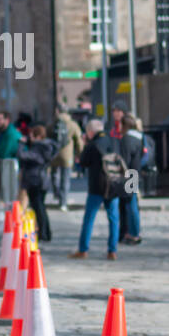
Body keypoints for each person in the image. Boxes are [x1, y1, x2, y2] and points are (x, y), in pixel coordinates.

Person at [71, 118, 123, 260]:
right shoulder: (113, 141)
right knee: (113, 218)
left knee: (89, 218)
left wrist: (85, 144)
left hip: (96, 187)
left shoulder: (92, 145)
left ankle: (83, 250)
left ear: (90, 132)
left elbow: (82, 163)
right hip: (113, 185)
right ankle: (112, 251)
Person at [17, 124, 56, 243]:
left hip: (36, 180)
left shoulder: (40, 147)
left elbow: (24, 156)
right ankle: (46, 232)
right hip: (39, 180)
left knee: (38, 207)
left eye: (31, 136)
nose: (29, 138)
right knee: (40, 207)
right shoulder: (45, 146)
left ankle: (44, 233)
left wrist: (21, 144)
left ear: (38, 136)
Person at [117, 114, 145, 246]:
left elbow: (124, 161)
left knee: (131, 204)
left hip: (129, 175)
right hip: (135, 173)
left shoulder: (126, 139)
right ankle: (134, 232)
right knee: (132, 203)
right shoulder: (138, 137)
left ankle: (134, 233)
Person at [51, 104, 81, 211]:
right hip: (67, 155)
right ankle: (63, 202)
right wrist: (79, 154)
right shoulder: (72, 124)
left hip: (54, 154)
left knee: (54, 175)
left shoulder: (53, 123)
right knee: (65, 178)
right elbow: (78, 140)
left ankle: (57, 193)